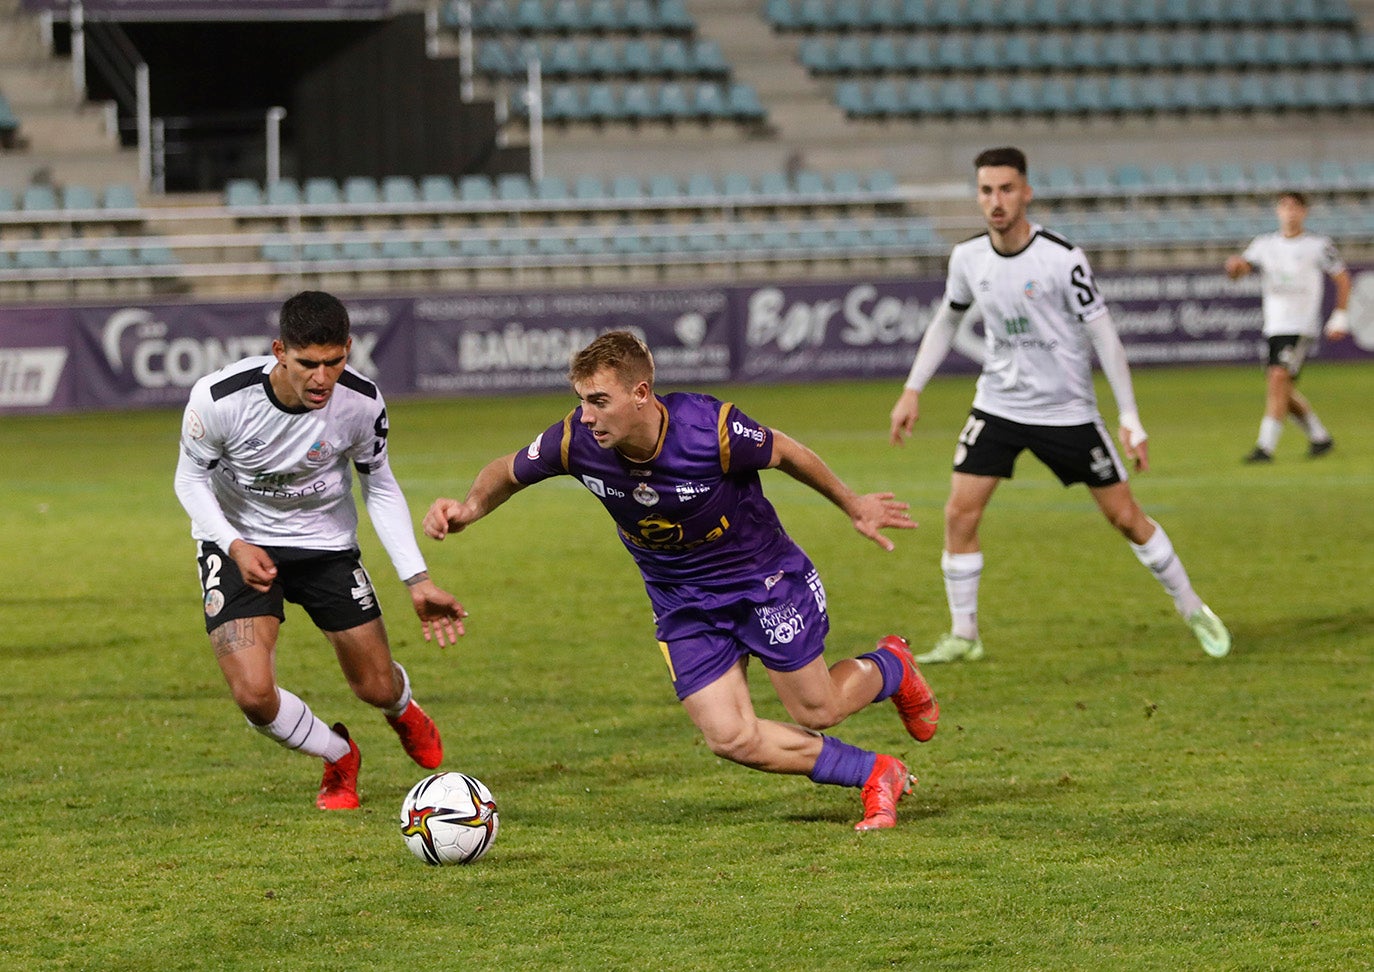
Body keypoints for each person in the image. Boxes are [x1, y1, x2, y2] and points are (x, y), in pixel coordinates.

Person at [423, 330, 937, 831]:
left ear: (641, 393)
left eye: (599, 401)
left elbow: (786, 452)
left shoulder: (710, 429)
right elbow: (507, 472)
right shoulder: (574, 441)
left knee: (818, 708)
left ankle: (892, 666)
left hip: (763, 580)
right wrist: (471, 506)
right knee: (730, 738)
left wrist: (854, 504)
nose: (587, 416)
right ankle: (874, 772)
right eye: (581, 401)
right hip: (681, 600)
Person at [888, 146, 1231, 665]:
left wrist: (1130, 417)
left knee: (1125, 518)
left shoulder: (1061, 257)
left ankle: (1192, 607)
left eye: (1006, 189)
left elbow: (1106, 339)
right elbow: (946, 322)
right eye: (986, 190)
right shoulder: (967, 258)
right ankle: (965, 634)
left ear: (1026, 192)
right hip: (998, 406)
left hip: (1066, 412)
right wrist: (913, 388)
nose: (996, 201)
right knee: (959, 512)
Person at [174, 290, 467, 810]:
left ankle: (401, 708)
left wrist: (417, 579)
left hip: (325, 546)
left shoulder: (362, 402)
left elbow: (379, 484)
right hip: (239, 544)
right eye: (308, 364)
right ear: (279, 351)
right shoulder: (219, 400)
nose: (321, 379)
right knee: (254, 694)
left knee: (374, 685)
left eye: (334, 362)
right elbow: (189, 481)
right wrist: (234, 544)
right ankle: (338, 755)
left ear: (348, 349)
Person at [1224, 191, 1351, 463]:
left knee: (1278, 379)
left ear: (1304, 212)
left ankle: (1264, 447)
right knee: (1282, 387)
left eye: (1295, 207)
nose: (1290, 212)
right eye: (1284, 207)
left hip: (1301, 325)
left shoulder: (1318, 245)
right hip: (1274, 325)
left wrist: (1340, 316)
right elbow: (1241, 270)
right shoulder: (1264, 244)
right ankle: (1320, 437)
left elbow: (1342, 278)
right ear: (1278, 212)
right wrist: (1234, 267)